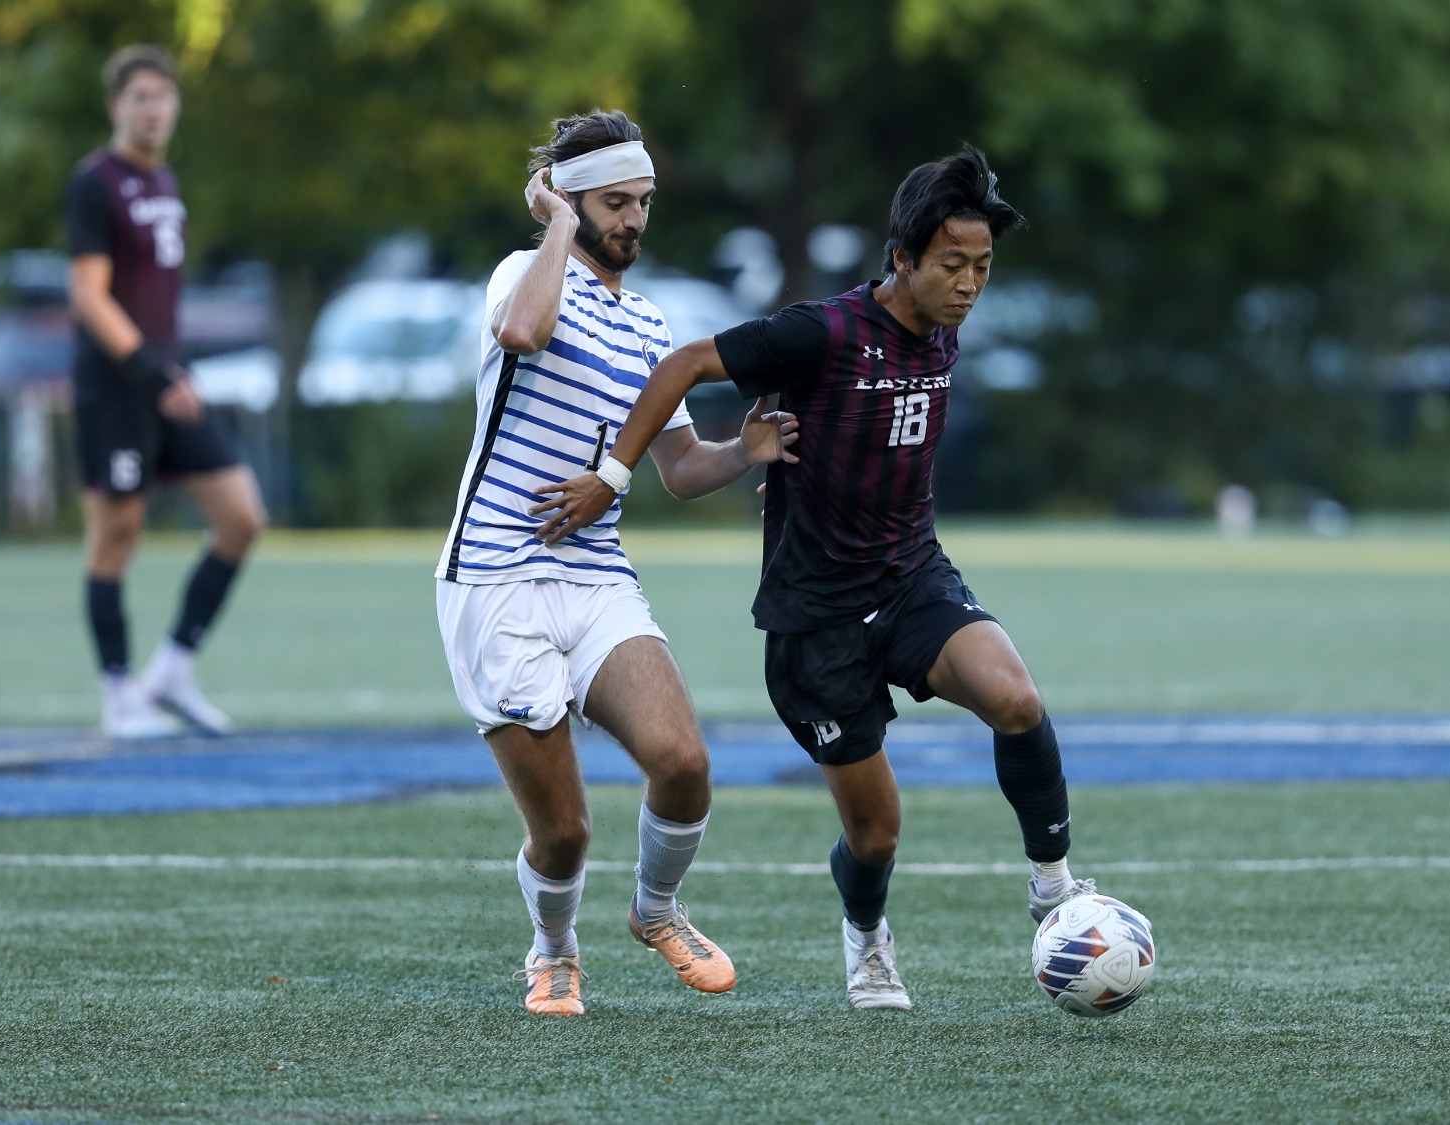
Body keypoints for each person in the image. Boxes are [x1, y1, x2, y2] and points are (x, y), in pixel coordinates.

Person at [530, 144, 1088, 1011]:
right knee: (876, 832)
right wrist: (613, 474)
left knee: (1015, 697)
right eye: (952, 264)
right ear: (902, 258)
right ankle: (867, 939)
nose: (969, 284)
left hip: (912, 577)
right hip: (816, 619)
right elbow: (681, 366)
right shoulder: (821, 332)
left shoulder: (944, 330)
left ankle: (1054, 886)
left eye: (982, 266)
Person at [439, 110, 799, 1016]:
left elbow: (679, 469)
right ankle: (554, 948)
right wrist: (558, 224)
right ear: (567, 199)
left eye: (643, 201)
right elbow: (523, 334)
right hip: (497, 576)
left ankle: (656, 909)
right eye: (614, 202)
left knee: (683, 761)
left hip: (597, 574)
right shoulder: (524, 272)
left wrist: (743, 450)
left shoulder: (647, 322)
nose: (634, 218)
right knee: (563, 832)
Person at [65, 44, 265, 739]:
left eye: (163, 96)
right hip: (119, 387)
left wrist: (169, 372)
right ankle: (119, 695)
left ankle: (172, 671)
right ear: (115, 106)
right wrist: (152, 372)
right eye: (140, 97)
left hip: (169, 379)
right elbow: (89, 297)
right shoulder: (95, 182)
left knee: (241, 518)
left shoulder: (165, 179)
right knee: (116, 536)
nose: (153, 109)